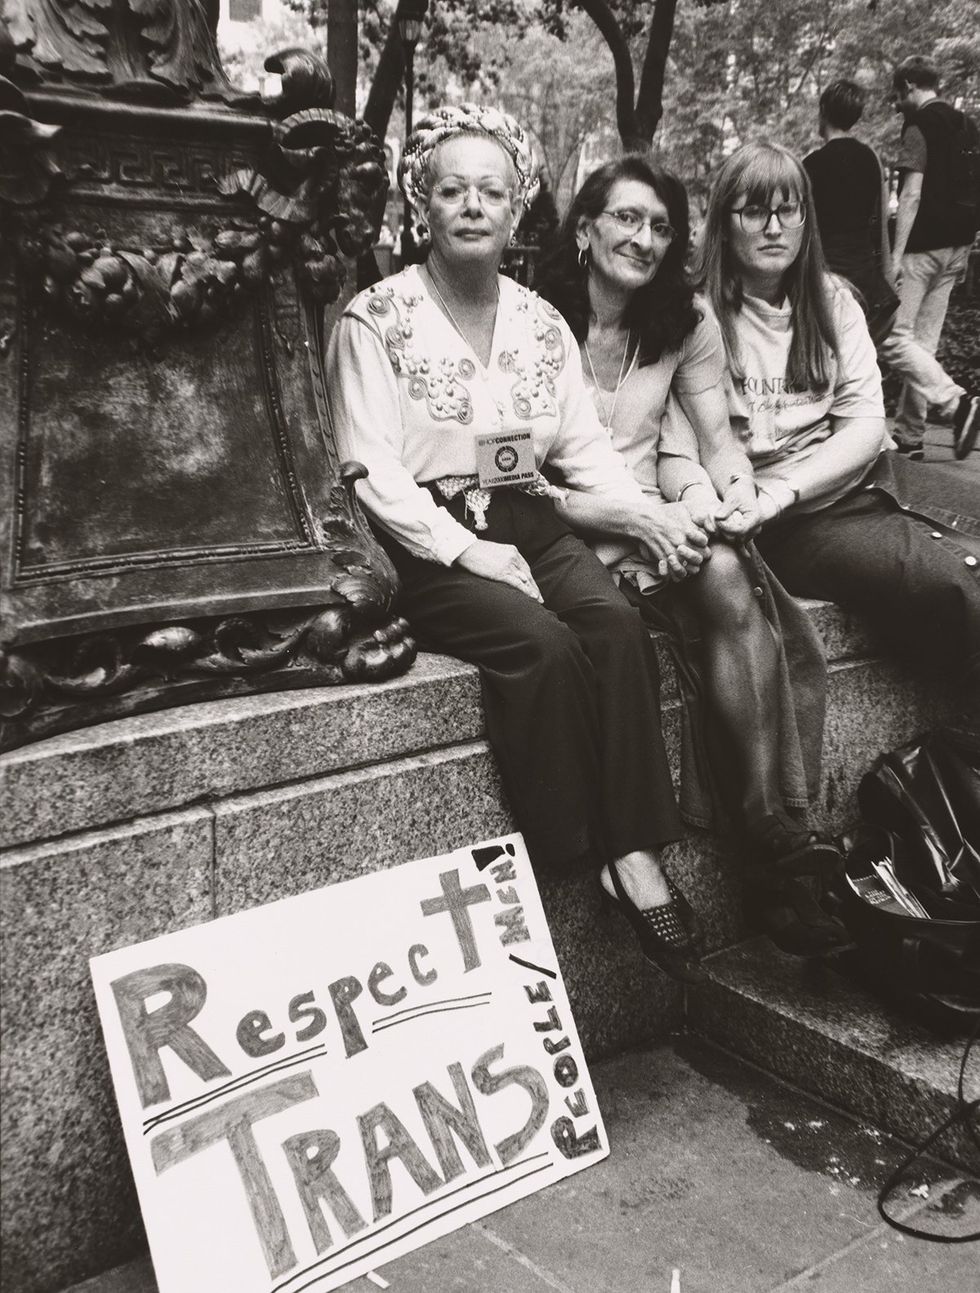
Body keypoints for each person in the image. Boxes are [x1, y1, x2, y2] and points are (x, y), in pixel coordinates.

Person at [325, 104, 714, 982]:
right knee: (541, 646)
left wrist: (642, 517)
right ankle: (577, 855)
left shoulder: (542, 324)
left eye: (491, 192)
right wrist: (468, 553)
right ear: (421, 201)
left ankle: (638, 853)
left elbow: (583, 452)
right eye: (452, 189)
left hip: (527, 516)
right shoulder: (373, 318)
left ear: (517, 207)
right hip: (423, 540)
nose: (472, 205)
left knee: (613, 626)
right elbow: (369, 470)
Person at [534, 155, 844, 956]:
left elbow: (714, 444)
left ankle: (766, 822)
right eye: (627, 218)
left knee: (733, 575)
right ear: (587, 225)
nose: (643, 239)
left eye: (661, 227)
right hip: (557, 523)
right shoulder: (530, 316)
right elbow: (510, 483)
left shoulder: (686, 320)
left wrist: (731, 496)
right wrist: (642, 520)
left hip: (653, 515)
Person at [691, 140, 980, 751]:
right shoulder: (698, 315)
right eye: (753, 211)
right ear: (724, 220)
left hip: (864, 478)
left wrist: (790, 486)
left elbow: (866, 426)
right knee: (956, 580)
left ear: (806, 219)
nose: (774, 227)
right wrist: (769, 500)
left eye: (788, 210)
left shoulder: (833, 300)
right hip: (789, 523)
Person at [879, 55, 978, 461]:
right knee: (924, 345)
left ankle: (957, 403)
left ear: (908, 86)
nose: (897, 103)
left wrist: (896, 255)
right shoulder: (969, 127)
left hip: (923, 249)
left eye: (897, 96)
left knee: (892, 340)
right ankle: (910, 435)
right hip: (959, 247)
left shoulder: (920, 125)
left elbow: (912, 194)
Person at [803, 80, 897, 344]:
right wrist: (886, 276)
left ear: (823, 110)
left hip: (826, 281)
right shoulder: (871, 158)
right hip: (866, 279)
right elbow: (880, 224)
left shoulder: (810, 165)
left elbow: (804, 229)